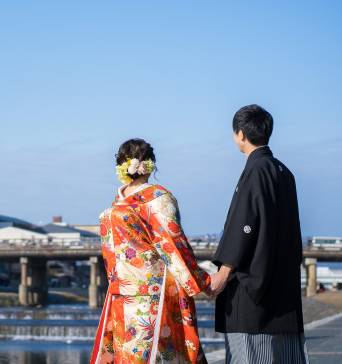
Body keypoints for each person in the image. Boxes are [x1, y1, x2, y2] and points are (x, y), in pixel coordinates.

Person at [91, 139, 212, 364]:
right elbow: (174, 245)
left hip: (120, 294)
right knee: (153, 354)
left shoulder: (116, 205)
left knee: (127, 355)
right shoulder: (157, 199)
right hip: (152, 296)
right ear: (151, 164)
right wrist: (203, 281)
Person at [207, 105, 307, 363]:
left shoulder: (256, 170)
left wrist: (224, 272)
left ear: (241, 134)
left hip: (254, 294)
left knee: (251, 356)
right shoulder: (284, 172)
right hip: (282, 287)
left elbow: (245, 224)